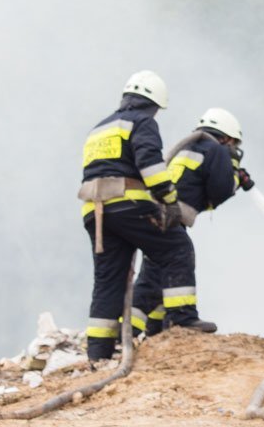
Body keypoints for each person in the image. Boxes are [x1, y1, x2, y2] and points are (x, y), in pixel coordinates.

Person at [78, 71, 214, 363]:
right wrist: (169, 202)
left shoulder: (99, 128)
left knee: (108, 280)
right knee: (176, 248)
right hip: (128, 204)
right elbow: (150, 164)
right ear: (153, 104)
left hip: (95, 211)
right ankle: (182, 319)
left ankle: (98, 355)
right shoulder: (142, 122)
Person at [132, 107, 255, 337]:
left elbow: (195, 189)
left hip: (153, 214)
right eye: (234, 145)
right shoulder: (216, 149)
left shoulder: (190, 147)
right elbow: (219, 191)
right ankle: (181, 320)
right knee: (181, 255)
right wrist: (235, 175)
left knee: (154, 275)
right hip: (168, 217)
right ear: (227, 137)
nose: (233, 149)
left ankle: (141, 329)